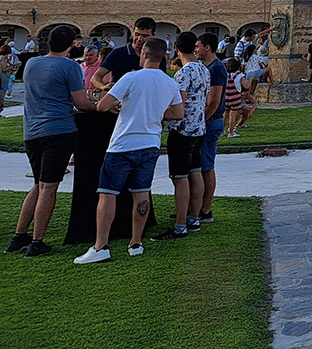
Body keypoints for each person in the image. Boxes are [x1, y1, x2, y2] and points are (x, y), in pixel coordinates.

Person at [74, 38, 183, 264]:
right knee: (141, 192)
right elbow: (178, 113)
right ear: (163, 57)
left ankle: (101, 245)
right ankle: (135, 242)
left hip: (123, 143)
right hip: (151, 144)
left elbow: (103, 106)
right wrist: (155, 113)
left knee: (108, 193)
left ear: (143, 54)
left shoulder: (131, 77)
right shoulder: (170, 82)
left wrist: (120, 103)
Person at [4, 26, 95, 257]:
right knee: (49, 187)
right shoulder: (71, 67)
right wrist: (101, 106)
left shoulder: (32, 63)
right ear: (72, 44)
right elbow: (81, 103)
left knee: (37, 184)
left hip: (32, 131)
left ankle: (19, 235)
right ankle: (37, 242)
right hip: (58, 131)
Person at [152, 32, 210, 241]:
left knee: (180, 177)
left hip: (182, 129)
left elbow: (180, 104)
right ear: (195, 47)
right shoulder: (204, 69)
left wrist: (158, 113)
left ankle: (180, 225)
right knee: (196, 172)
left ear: (176, 48)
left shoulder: (184, 73)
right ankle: (194, 218)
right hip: (199, 128)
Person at [195, 34, 226, 224]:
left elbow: (214, 101)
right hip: (207, 120)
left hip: (211, 121)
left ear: (208, 47)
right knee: (200, 165)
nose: (195, 50)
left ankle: (205, 210)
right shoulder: (207, 67)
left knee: (206, 166)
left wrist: (201, 121)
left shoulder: (216, 68)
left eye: (198, 46)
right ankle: (196, 207)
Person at [91, 17, 167, 90]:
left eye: (145, 36)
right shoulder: (118, 54)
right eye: (137, 34)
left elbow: (162, 81)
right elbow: (96, 77)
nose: (139, 39)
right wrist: (103, 86)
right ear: (132, 33)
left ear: (153, 36)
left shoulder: (157, 56)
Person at [223, 58, 247, 138]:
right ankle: (231, 132)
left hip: (226, 96)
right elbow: (246, 86)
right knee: (232, 115)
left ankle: (222, 131)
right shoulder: (240, 76)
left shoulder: (226, 74)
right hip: (235, 97)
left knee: (225, 114)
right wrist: (251, 81)